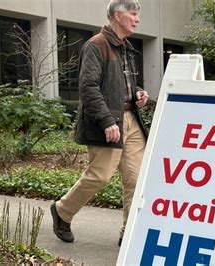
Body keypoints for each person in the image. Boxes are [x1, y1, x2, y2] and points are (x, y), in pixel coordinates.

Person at [50, 0, 148, 246]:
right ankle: (62, 211)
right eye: (134, 14)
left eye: (138, 15)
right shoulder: (96, 45)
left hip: (130, 120)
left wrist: (136, 93)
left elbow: (117, 84)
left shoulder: (126, 47)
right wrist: (106, 120)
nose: (137, 19)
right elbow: (88, 86)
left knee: (136, 179)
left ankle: (129, 232)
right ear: (118, 14)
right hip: (108, 120)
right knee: (100, 175)